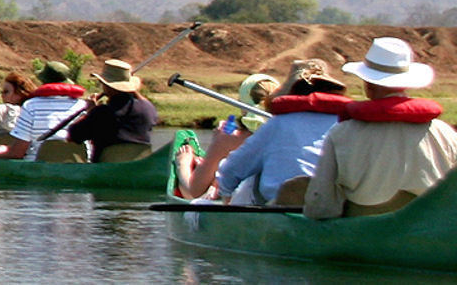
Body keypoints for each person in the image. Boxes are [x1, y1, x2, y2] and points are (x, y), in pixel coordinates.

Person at [304, 37, 457, 219]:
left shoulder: (342, 133)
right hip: (428, 237)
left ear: (368, 85)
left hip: (363, 237)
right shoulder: (444, 133)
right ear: (407, 83)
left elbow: (321, 203)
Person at [215, 58, 352, 205]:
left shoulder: (277, 124)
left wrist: (226, 195)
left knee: (253, 177)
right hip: (335, 208)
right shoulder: (348, 125)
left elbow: (231, 170)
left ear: (292, 92)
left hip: (281, 208)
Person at [175, 74, 280, 199]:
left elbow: (195, 191)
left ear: (243, 104)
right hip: (278, 200)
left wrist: (184, 164)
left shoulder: (228, 139)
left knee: (188, 191)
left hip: (241, 205)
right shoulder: (291, 132)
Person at [0, 61, 87, 161]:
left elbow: (17, 153)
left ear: (43, 81)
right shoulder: (83, 106)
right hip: (77, 167)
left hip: (40, 167)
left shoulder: (31, 105)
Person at [67, 59, 158, 162]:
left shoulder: (101, 112)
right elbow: (145, 103)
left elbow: (74, 135)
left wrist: (90, 111)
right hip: (139, 169)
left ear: (107, 86)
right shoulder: (148, 108)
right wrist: (132, 89)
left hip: (104, 171)